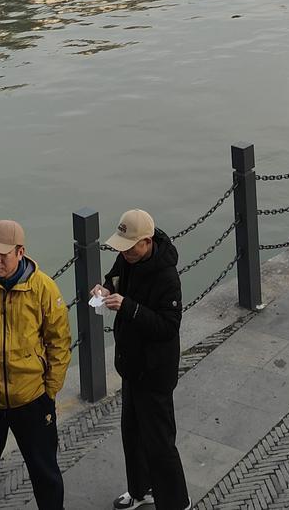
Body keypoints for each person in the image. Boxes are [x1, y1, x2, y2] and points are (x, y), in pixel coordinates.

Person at [0, 221, 71, 510]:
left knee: (45, 472)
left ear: (20, 252)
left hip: (32, 398)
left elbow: (59, 342)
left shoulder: (44, 289)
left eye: (3, 254)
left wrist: (50, 390)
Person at [98, 207, 188, 510]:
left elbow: (168, 326)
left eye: (129, 247)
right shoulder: (127, 257)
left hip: (155, 371)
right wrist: (105, 288)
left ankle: (177, 502)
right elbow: (114, 277)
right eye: (121, 247)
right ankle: (140, 490)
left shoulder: (166, 276)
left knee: (160, 442)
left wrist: (129, 308)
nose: (123, 253)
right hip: (131, 365)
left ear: (146, 242)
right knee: (132, 433)